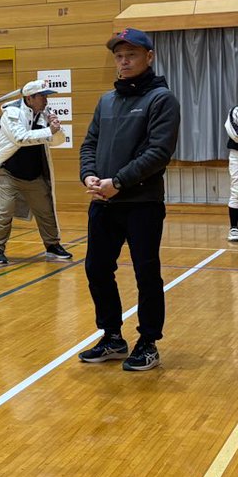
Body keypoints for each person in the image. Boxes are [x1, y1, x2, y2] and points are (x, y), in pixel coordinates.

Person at [78, 28, 181, 372]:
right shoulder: (107, 100)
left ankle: (148, 341)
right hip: (103, 203)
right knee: (96, 269)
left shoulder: (162, 99)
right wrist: (89, 175)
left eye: (131, 55)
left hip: (142, 204)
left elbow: (158, 153)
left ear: (149, 57)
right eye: (119, 56)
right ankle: (112, 336)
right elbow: (89, 143)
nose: (124, 61)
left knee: (146, 272)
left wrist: (118, 182)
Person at [0, 81, 73, 267]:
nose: (46, 99)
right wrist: (49, 130)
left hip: (34, 174)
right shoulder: (11, 113)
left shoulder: (44, 114)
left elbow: (57, 141)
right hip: (7, 172)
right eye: (42, 96)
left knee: (46, 210)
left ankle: (52, 245)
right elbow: (20, 137)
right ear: (29, 98)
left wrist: (55, 128)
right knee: (5, 210)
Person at [226, 103, 238, 243]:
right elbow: (234, 134)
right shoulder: (235, 111)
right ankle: (234, 228)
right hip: (237, 155)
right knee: (236, 190)